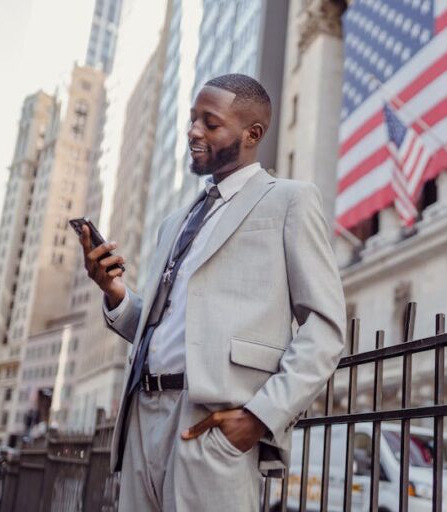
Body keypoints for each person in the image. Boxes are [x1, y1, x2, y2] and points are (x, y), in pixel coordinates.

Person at [79, 73, 346, 511]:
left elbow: (326, 326)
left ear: (252, 133)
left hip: (210, 427)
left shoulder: (290, 201)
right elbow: (165, 326)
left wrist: (261, 417)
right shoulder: (176, 221)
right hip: (142, 418)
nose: (193, 132)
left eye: (210, 122)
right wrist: (114, 292)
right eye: (191, 120)